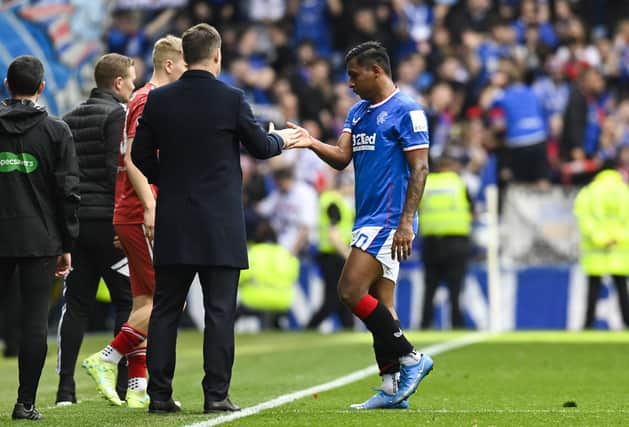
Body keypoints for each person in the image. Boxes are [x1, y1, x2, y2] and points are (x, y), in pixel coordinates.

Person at [131, 23, 299, 414]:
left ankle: (158, 395)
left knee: (165, 310)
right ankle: (216, 396)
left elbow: (138, 157)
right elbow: (260, 147)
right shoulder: (232, 98)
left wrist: (168, 183)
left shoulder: (160, 101)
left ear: (186, 57)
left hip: (174, 220)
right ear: (217, 56)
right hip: (220, 224)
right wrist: (283, 140)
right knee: (220, 312)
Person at [288, 40, 433, 410]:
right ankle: (390, 387)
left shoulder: (408, 111)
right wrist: (310, 142)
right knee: (382, 305)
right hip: (366, 217)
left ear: (376, 71)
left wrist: (405, 223)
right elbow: (340, 158)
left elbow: (420, 168)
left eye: (354, 75)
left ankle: (412, 358)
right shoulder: (357, 113)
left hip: (388, 220)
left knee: (350, 290)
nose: (349, 83)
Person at [80, 36, 186, 409]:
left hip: (133, 211)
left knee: (144, 300)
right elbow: (132, 159)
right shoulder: (149, 99)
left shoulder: (144, 99)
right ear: (171, 64)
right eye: (186, 66)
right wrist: (148, 207)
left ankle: (137, 386)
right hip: (142, 210)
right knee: (166, 299)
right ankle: (107, 357)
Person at [0, 55, 80, 420]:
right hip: (40, 238)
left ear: (6, 85)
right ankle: (25, 403)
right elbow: (67, 192)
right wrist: (67, 244)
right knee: (34, 321)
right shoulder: (56, 131)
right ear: (42, 88)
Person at [56, 53, 136, 406]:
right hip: (108, 223)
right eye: (131, 80)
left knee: (75, 306)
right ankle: (120, 386)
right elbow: (114, 171)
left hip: (76, 224)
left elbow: (64, 175)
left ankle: (65, 390)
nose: (133, 86)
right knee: (128, 301)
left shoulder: (69, 118)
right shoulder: (117, 115)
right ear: (118, 83)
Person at [419, 155, 473, 329]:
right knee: (455, 287)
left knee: (430, 287)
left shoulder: (427, 184)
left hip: (432, 241)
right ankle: (457, 323)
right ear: (452, 165)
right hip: (456, 241)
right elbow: (471, 209)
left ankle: (425, 324)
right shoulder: (458, 183)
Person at [574, 163, 629, 329]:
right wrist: (616, 238)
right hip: (619, 251)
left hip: (595, 250)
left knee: (593, 290)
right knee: (622, 289)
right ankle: (627, 322)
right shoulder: (625, 192)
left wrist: (601, 238)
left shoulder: (588, 193)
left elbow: (583, 218)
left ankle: (588, 323)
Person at [307, 172, 355, 330]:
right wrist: (348, 255)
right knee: (333, 299)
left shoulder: (332, 200)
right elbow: (333, 235)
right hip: (334, 255)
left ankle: (348, 328)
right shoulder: (334, 202)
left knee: (342, 298)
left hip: (332, 254)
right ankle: (310, 327)